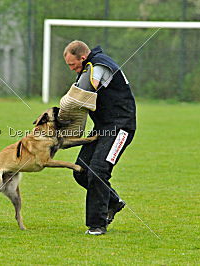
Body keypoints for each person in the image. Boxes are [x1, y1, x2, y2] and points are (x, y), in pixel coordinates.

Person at [60, 40, 136, 235]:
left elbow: (83, 93)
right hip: (103, 126)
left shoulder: (99, 65)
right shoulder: (88, 67)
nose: (71, 69)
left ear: (83, 58)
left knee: (98, 171)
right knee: (81, 171)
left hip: (121, 126)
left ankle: (97, 225)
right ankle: (113, 202)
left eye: (72, 64)